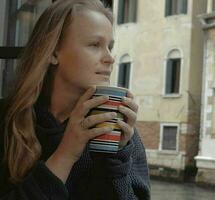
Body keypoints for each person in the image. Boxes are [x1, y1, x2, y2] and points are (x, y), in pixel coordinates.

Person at [0, 0, 150, 199]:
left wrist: (117, 157)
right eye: (95, 45)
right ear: (53, 52)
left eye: (110, 47)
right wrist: (67, 152)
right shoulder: (6, 120)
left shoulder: (119, 132)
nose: (110, 58)